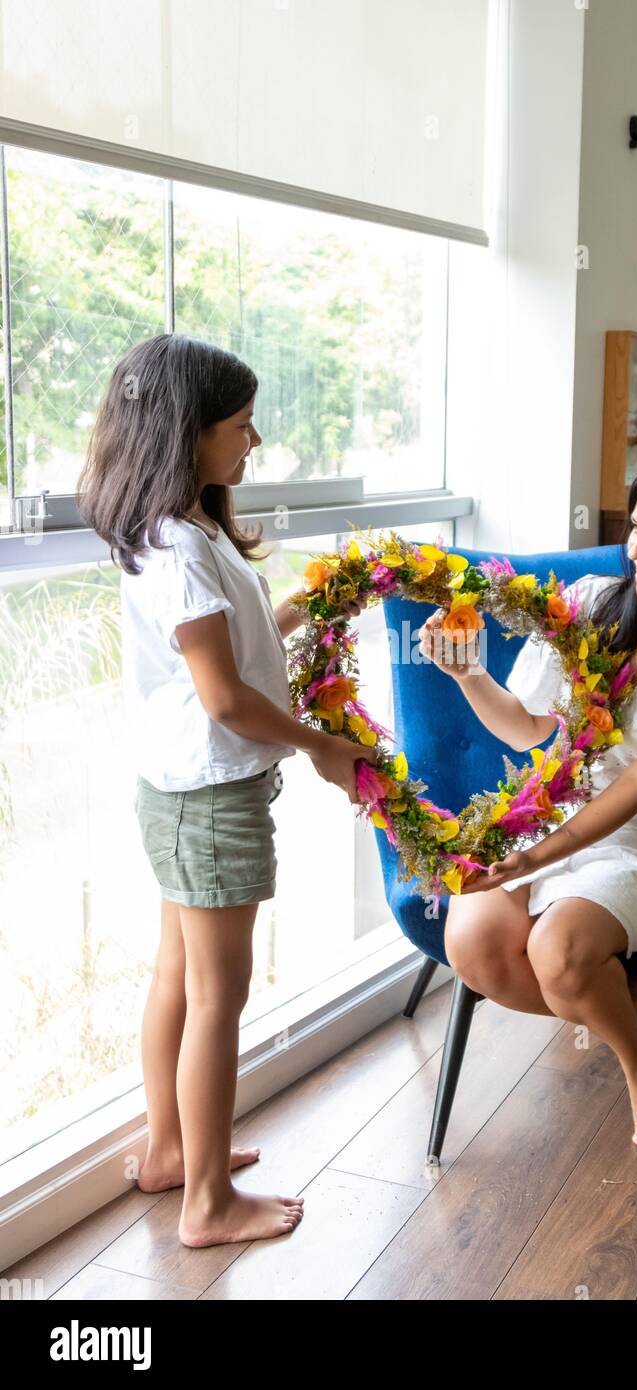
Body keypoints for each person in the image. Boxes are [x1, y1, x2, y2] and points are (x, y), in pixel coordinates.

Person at [78, 333, 377, 1247]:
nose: (253, 443)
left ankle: (172, 1152)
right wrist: (323, 745)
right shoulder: (176, 547)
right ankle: (205, 1203)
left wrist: (311, 606)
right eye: (240, 427)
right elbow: (224, 698)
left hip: (182, 791)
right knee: (218, 996)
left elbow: (228, 653)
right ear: (186, 432)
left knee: (181, 978)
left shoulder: (189, 529)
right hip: (207, 798)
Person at [419, 456, 637, 1151]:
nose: (635, 552)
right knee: (471, 943)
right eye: (634, 529)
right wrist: (467, 674)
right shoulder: (588, 601)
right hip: (546, 821)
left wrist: (535, 854)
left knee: (558, 949)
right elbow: (528, 729)